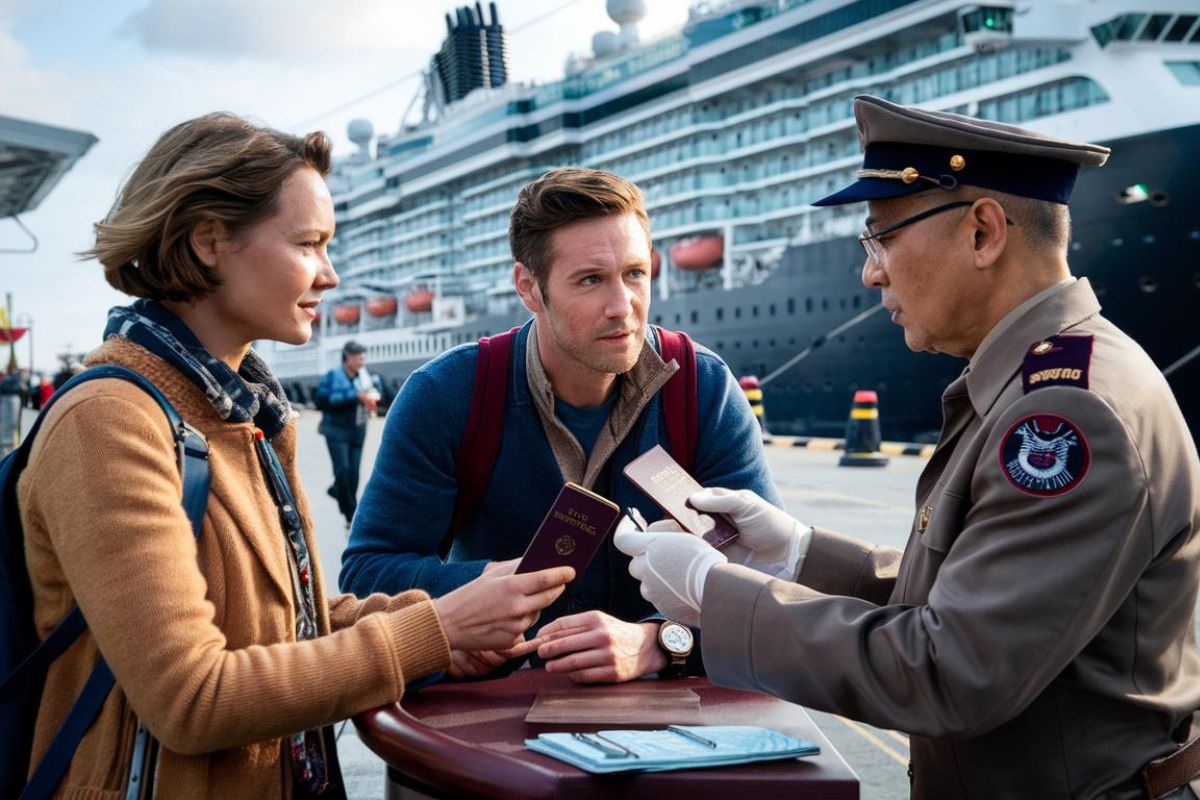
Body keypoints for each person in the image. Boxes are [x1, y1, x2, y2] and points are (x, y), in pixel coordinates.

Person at [616, 95, 1200, 799]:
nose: (871, 273)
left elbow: (954, 670)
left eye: (882, 238)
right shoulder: (1037, 377)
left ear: (983, 233)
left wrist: (715, 593)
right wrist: (800, 554)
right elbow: (980, 599)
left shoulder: (1065, 413)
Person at [19, 112, 574, 799]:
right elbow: (192, 698)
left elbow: (285, 627)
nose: (332, 275)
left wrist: (445, 632)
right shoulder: (107, 422)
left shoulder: (243, 411)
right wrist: (433, 630)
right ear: (210, 240)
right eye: (310, 243)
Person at [340, 167, 781, 684]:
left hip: (669, 731)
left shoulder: (701, 388)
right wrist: (476, 589)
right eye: (591, 280)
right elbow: (367, 573)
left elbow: (766, 587)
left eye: (636, 274)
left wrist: (661, 641)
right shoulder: (447, 395)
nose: (624, 308)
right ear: (528, 287)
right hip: (491, 720)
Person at [314, 339, 378, 526]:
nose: (362, 361)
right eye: (358, 357)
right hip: (336, 430)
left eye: (363, 357)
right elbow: (321, 402)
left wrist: (375, 395)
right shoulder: (332, 377)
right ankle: (352, 514)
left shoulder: (365, 377)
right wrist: (354, 396)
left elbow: (379, 391)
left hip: (358, 429)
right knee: (343, 471)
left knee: (354, 473)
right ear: (347, 358)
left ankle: (338, 493)